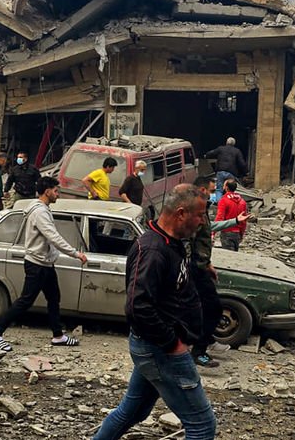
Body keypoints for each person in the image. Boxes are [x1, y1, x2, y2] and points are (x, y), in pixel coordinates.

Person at [92, 185, 216, 440]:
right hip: (161, 349)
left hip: (156, 347)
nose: (202, 222)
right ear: (181, 213)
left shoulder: (174, 243)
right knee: (202, 425)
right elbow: (138, 306)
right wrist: (172, 344)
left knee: (132, 411)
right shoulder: (153, 250)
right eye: (199, 215)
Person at [0, 176, 88, 352]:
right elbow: (53, 236)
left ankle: (58, 336)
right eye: (56, 191)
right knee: (25, 301)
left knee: (54, 298)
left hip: (45, 263)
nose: (58, 194)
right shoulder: (40, 212)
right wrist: (75, 253)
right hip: (37, 264)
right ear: (47, 191)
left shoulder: (42, 208)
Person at [190, 175, 249, 368]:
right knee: (212, 308)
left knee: (205, 308)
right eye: (210, 190)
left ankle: (202, 344)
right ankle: (199, 350)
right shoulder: (193, 210)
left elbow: (210, 227)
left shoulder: (202, 210)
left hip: (201, 266)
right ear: (201, 189)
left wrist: (234, 221)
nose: (213, 194)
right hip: (195, 269)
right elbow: (188, 242)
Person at [216, 179, 248, 251]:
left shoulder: (224, 200)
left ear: (226, 188)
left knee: (229, 257)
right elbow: (244, 220)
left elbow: (219, 217)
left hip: (227, 232)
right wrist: (241, 233)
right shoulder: (242, 201)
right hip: (237, 233)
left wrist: (213, 232)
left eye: (224, 185)